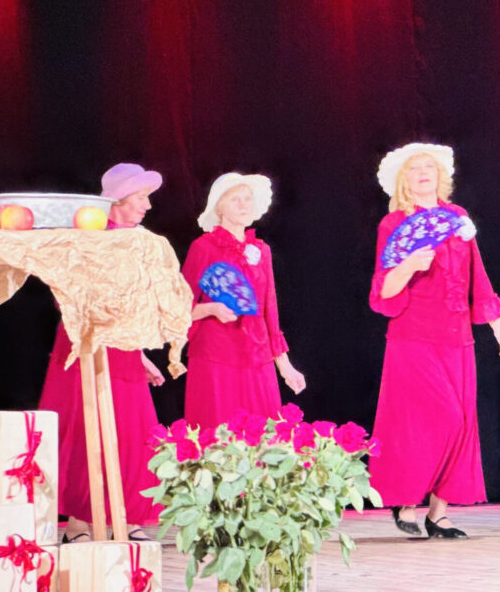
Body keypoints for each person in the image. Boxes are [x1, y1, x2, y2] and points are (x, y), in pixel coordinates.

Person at [368, 142, 500, 539]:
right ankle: (405, 499)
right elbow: (382, 291)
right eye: (414, 168)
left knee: (461, 422)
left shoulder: (457, 218)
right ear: (404, 179)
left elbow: (478, 277)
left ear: (440, 176)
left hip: (457, 336)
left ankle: (438, 513)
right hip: (414, 336)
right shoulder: (394, 223)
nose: (423, 173)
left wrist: (499, 328)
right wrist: (409, 265)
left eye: (429, 167)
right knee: (429, 419)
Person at [37, 163, 168, 542]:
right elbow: (64, 293)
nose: (147, 205)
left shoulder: (142, 242)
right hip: (86, 341)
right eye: (141, 197)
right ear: (119, 200)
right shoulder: (89, 236)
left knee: (131, 429)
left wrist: (140, 355)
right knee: (86, 426)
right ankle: (81, 521)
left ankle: (127, 516)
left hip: (124, 346)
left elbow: (137, 305)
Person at [182, 172, 305, 427]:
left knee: (263, 433)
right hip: (216, 354)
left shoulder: (261, 250)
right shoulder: (203, 248)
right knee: (219, 429)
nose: (243, 205)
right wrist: (211, 308)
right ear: (219, 207)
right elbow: (179, 307)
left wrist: (285, 366)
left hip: (257, 355)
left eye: (247, 199)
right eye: (234, 199)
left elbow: (270, 310)